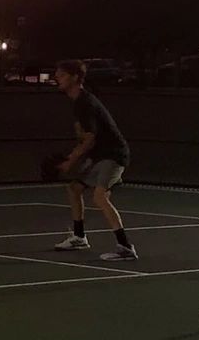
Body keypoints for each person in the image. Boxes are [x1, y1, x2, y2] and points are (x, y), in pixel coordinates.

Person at [52, 58, 137, 263]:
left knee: (99, 197)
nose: (57, 78)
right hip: (99, 156)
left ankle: (126, 247)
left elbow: (90, 140)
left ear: (74, 78)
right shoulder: (77, 102)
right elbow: (86, 138)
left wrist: (71, 161)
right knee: (74, 188)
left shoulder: (85, 102)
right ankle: (79, 237)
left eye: (61, 75)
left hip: (114, 155)